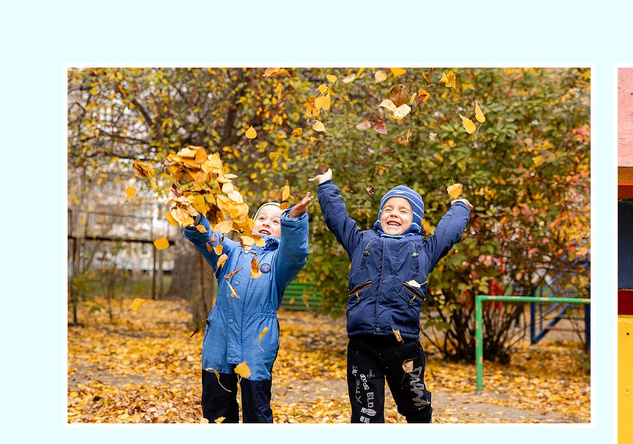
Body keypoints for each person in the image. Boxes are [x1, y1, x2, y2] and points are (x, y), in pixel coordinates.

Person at [312, 170, 470, 422]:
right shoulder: (361, 241)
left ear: (414, 219)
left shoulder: (423, 249)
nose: (394, 213)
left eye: (403, 210)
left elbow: (447, 232)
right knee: (365, 413)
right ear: (380, 216)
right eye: (388, 208)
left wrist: (460, 207)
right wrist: (326, 185)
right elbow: (337, 219)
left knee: (416, 405)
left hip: (403, 343)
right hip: (363, 344)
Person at [177, 195, 310, 422]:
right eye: (262, 218)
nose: (267, 223)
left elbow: (295, 252)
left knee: (256, 408)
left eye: (276, 221)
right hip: (219, 337)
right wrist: (193, 216)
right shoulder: (230, 250)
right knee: (216, 405)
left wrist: (294, 221)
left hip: (256, 342)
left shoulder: (279, 261)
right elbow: (206, 238)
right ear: (252, 224)